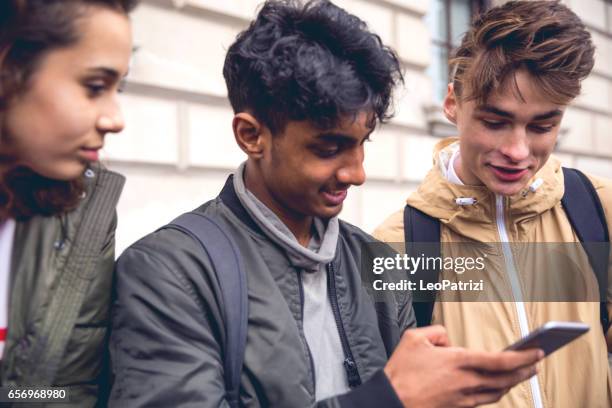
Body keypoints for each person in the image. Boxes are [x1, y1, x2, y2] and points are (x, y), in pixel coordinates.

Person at [109, 1, 542, 407]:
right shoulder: (167, 272)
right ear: (251, 135)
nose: (357, 173)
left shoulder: (377, 261)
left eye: (361, 144)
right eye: (329, 148)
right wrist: (386, 399)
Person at [373, 1, 611, 407]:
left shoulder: (597, 207)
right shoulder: (395, 243)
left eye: (542, 126)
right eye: (495, 122)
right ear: (452, 104)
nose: (518, 151)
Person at [0, 0, 136, 405]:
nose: (115, 118)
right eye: (95, 86)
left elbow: (65, 390)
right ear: (9, 68)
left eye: (118, 88)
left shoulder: (84, 212)